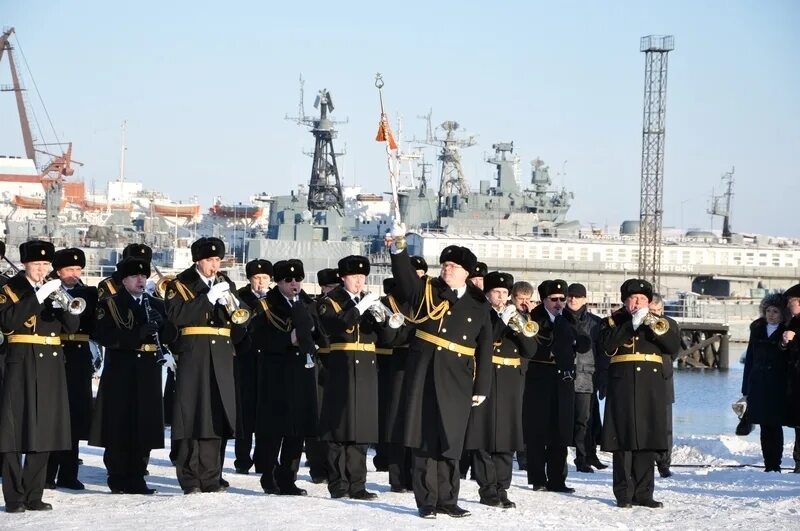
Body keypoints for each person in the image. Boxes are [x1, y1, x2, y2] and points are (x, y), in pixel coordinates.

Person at [387, 224, 492, 519]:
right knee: (423, 440)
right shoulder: (429, 289)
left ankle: (448, 498)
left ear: (466, 273)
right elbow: (405, 279)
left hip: (458, 379)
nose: (447, 269)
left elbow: (485, 348)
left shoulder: (479, 303)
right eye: (445, 264)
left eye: (454, 266)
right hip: (424, 375)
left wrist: (482, 386)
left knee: (451, 441)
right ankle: (427, 501)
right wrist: (399, 247)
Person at [165, 237, 249, 494]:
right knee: (191, 415)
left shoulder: (226, 283)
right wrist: (208, 299)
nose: (215, 265)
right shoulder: (179, 284)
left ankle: (211, 477)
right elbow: (175, 316)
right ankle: (190, 479)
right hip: (194, 353)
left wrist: (231, 307)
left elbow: (242, 318)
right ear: (198, 261)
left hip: (221, 354)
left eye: (217, 260)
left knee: (215, 414)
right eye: (210, 260)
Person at [0, 240, 79, 513]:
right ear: (25, 265)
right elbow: (8, 322)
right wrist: (38, 297)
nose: (42, 269)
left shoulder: (55, 290)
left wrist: (63, 302)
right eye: (37, 264)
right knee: (11, 433)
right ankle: (14, 497)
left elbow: (73, 325)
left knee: (44, 430)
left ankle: (34, 494)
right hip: (19, 362)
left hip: (51, 366)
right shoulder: (10, 290)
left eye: (46, 265)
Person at [89, 257, 178, 494]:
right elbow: (105, 336)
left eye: (143, 276)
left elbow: (172, 335)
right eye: (135, 277)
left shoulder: (156, 304)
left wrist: (163, 327)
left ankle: (138, 475)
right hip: (121, 369)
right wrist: (138, 334)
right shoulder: (110, 304)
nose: (141, 280)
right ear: (124, 280)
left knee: (143, 423)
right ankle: (117, 476)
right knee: (119, 423)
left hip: (148, 369)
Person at [600, 279, 681, 508]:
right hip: (622, 385)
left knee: (647, 440)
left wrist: (651, 323)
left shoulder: (660, 322)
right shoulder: (613, 321)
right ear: (625, 301)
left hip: (650, 386)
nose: (637, 303)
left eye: (642, 299)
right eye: (633, 299)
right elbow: (606, 347)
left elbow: (674, 347)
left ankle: (644, 493)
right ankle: (624, 494)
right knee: (623, 441)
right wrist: (629, 326)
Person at [316, 255, 389, 500]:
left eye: (362, 277)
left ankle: (358, 484)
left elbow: (388, 337)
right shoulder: (331, 301)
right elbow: (334, 326)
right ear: (343, 278)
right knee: (338, 428)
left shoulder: (370, 302)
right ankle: (338, 484)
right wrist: (359, 307)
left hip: (367, 369)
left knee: (362, 428)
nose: (359, 281)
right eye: (354, 277)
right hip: (341, 366)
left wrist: (383, 319)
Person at [465, 271, 536, 509]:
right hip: (486, 377)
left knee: (506, 437)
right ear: (488, 293)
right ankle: (487, 489)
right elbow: (482, 342)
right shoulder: (479, 313)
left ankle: (502, 488)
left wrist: (517, 325)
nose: (502, 297)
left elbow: (530, 350)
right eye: (497, 292)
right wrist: (502, 322)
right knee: (483, 436)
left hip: (510, 380)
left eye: (506, 293)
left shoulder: (517, 315)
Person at [253, 259, 321, 496]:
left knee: (298, 427)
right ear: (279, 282)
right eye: (288, 280)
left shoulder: (307, 304)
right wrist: (288, 340)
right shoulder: (266, 305)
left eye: (298, 279)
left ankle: (288, 477)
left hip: (302, 371)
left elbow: (321, 334)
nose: (294, 284)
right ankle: (269, 475)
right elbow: (258, 338)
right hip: (277, 372)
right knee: (275, 429)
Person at [523, 280, 587, 494]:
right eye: (554, 300)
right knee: (538, 431)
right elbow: (538, 345)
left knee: (561, 431)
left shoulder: (568, 319)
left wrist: (573, 328)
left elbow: (584, 344)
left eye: (562, 299)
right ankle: (538, 478)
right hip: (539, 379)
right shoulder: (534, 319)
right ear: (544, 300)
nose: (559, 303)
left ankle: (558, 479)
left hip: (563, 380)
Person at [45, 248, 98, 490]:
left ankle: (69, 473)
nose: (75, 274)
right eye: (69, 270)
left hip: (78, 357)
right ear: (58, 271)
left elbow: (89, 323)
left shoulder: (88, 293)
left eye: (78, 270)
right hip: (54, 355)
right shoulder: (46, 292)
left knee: (75, 417)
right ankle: (46, 474)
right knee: (50, 417)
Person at [742, 293, 791, 473]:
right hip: (758, 383)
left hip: (777, 384)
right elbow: (749, 359)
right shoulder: (757, 328)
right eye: (768, 310)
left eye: (775, 311)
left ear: (782, 313)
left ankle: (775, 464)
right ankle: (767, 464)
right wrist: (745, 388)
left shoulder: (786, 330)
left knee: (775, 424)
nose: (771, 314)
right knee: (763, 424)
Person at [233, 259, 273, 474]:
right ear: (249, 279)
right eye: (257, 278)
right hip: (246, 359)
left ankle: (264, 458)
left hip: (269, 361)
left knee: (267, 413)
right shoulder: (240, 297)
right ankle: (242, 459)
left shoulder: (275, 298)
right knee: (245, 412)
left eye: (265, 278)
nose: (260, 282)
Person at [565, 282, 607, 473]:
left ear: (585, 299)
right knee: (568, 419)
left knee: (587, 419)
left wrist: (601, 377)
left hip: (587, 376)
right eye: (570, 296)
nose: (573, 299)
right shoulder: (560, 319)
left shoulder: (595, 323)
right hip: (564, 375)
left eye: (577, 296)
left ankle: (586, 457)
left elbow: (601, 353)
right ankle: (581, 457)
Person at [649, 293, 681, 478]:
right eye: (650, 311)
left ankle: (664, 463)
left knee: (665, 425)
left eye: (656, 310)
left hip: (663, 377)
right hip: (645, 377)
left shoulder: (671, 324)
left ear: (661, 309)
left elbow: (674, 351)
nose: (653, 314)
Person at [781, 284, 800, 473]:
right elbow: (785, 351)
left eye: (790, 302)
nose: (787, 305)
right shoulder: (793, 322)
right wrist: (785, 342)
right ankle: (798, 463)